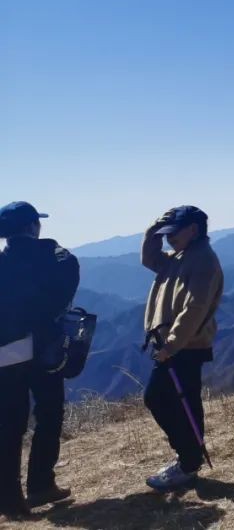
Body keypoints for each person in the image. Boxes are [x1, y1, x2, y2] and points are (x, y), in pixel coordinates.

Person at [0, 202, 79, 519]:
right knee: (49, 413)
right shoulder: (53, 256)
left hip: (5, 354)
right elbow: (68, 280)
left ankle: (9, 500)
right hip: (45, 348)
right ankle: (41, 483)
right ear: (34, 226)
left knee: (9, 425)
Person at [141, 206, 224, 492]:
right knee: (183, 402)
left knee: (161, 398)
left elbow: (194, 308)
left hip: (184, 346)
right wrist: (153, 229)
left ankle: (188, 462)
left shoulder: (203, 261)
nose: (168, 238)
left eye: (173, 233)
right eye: (166, 234)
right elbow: (150, 259)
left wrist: (172, 345)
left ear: (194, 230)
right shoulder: (180, 257)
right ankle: (189, 459)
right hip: (177, 345)